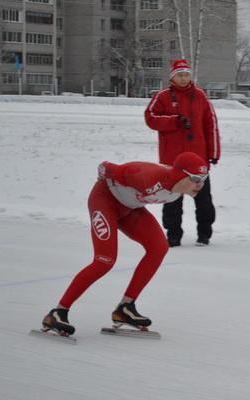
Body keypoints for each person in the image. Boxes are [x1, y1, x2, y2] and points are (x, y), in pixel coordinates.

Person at [41, 152, 210, 336]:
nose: (200, 184)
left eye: (204, 178)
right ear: (181, 175)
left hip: (130, 209)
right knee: (104, 260)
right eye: (195, 178)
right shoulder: (146, 176)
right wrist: (105, 169)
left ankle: (125, 308)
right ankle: (58, 312)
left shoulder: (178, 192)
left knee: (159, 248)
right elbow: (110, 168)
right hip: (105, 200)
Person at [145, 59, 220, 247]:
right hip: (173, 161)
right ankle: (173, 234)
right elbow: (150, 118)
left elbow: (211, 125)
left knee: (203, 200)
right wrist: (174, 121)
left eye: (186, 74)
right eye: (180, 75)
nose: (184, 78)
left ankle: (204, 233)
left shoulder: (201, 96)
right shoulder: (162, 97)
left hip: (198, 159)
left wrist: (214, 152)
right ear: (172, 77)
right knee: (172, 200)